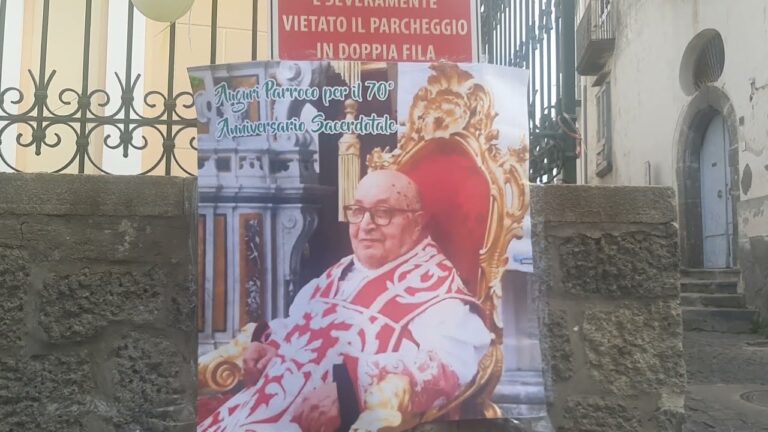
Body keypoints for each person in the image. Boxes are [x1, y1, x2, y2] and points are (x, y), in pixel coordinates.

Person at [198, 170, 492, 432]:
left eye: (383, 212)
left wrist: (351, 390)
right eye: (358, 210)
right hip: (260, 405)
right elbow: (305, 328)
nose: (366, 224)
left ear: (415, 223)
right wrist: (269, 346)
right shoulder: (343, 271)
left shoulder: (437, 290)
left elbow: (446, 367)